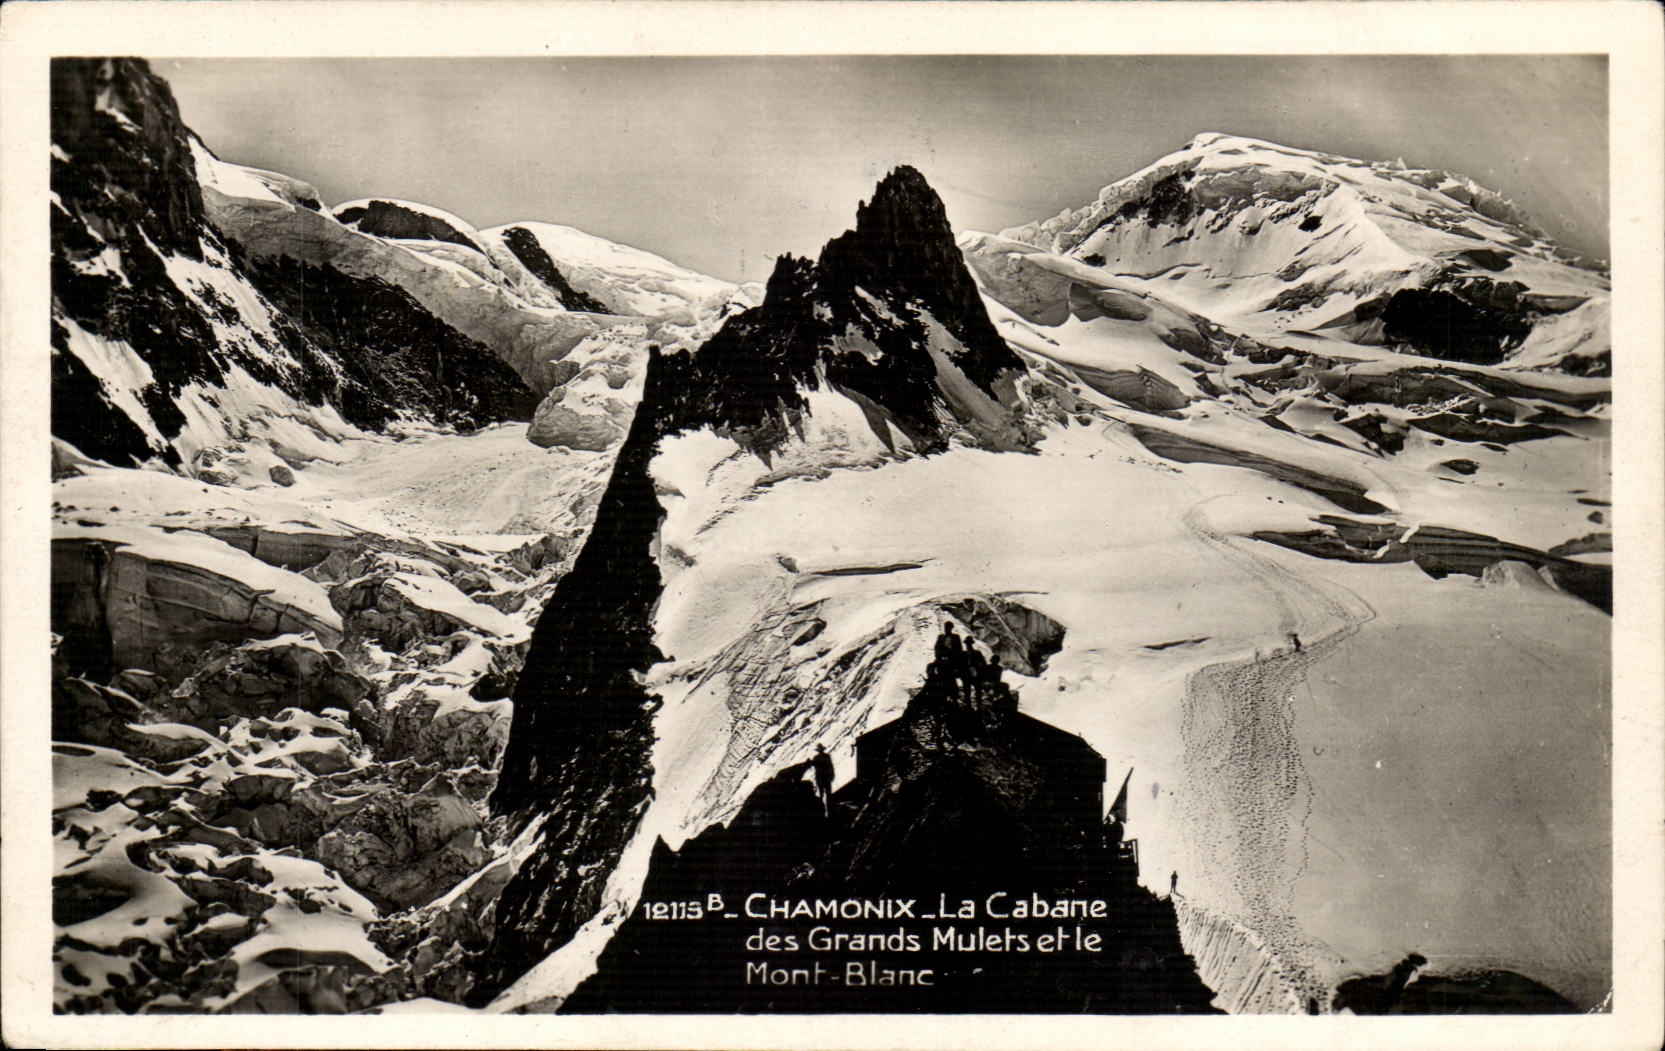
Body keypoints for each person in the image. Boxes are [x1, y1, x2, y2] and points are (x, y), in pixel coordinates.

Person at [811, 744, 834, 814]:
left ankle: (824, 811)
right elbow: (831, 767)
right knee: (826, 795)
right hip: (824, 779)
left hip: (821, 779)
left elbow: (830, 767)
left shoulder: (816, 758)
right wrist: (832, 775)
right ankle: (827, 810)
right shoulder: (827, 756)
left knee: (824, 795)